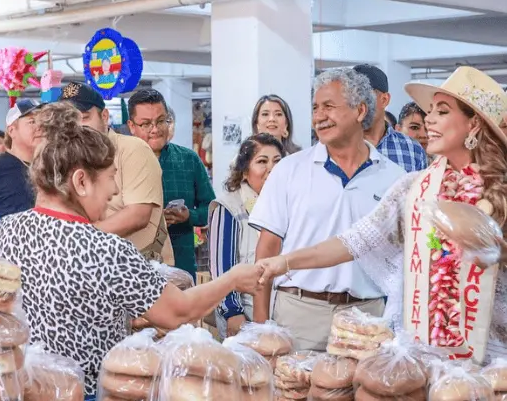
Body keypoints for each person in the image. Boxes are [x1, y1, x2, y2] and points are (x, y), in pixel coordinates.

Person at [0, 102, 264, 399]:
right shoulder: (106, 249)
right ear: (80, 181)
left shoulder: (1, 233)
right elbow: (177, 311)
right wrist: (232, 279)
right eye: (110, 177)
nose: (114, 190)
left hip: (19, 390)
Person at [255, 66, 507, 362]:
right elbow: (355, 241)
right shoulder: (415, 188)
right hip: (428, 348)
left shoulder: (498, 192)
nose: (429, 120)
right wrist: (285, 262)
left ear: (473, 123)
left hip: (494, 353)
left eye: (442, 111)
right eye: (430, 111)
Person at [250, 68, 406, 351]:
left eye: (329, 107)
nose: (319, 116)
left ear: (360, 110)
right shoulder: (289, 169)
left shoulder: (393, 178)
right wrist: (261, 323)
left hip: (367, 315)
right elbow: (267, 248)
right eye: (314, 108)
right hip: (299, 311)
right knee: (293, 390)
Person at [60, 82, 174, 264]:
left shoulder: (132, 150)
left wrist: (79, 241)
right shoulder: (68, 159)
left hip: (139, 271)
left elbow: (137, 216)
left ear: (104, 116)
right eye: (68, 121)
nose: (76, 128)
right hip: (92, 269)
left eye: (84, 118)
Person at [128, 89, 215, 280]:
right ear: (131, 126)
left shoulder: (188, 159)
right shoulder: (120, 162)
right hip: (133, 269)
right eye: (146, 124)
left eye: (161, 121)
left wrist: (188, 216)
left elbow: (211, 210)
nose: (155, 129)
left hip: (180, 264)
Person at [209, 133, 285, 338]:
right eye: (262, 161)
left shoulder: (286, 204)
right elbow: (221, 268)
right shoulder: (229, 206)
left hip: (280, 315)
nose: (272, 168)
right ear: (244, 172)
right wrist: (233, 313)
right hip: (244, 316)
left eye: (277, 161)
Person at [354, 64, 428, 173]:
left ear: (384, 100)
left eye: (364, 97)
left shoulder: (412, 149)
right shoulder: (336, 147)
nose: (357, 105)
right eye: (351, 98)